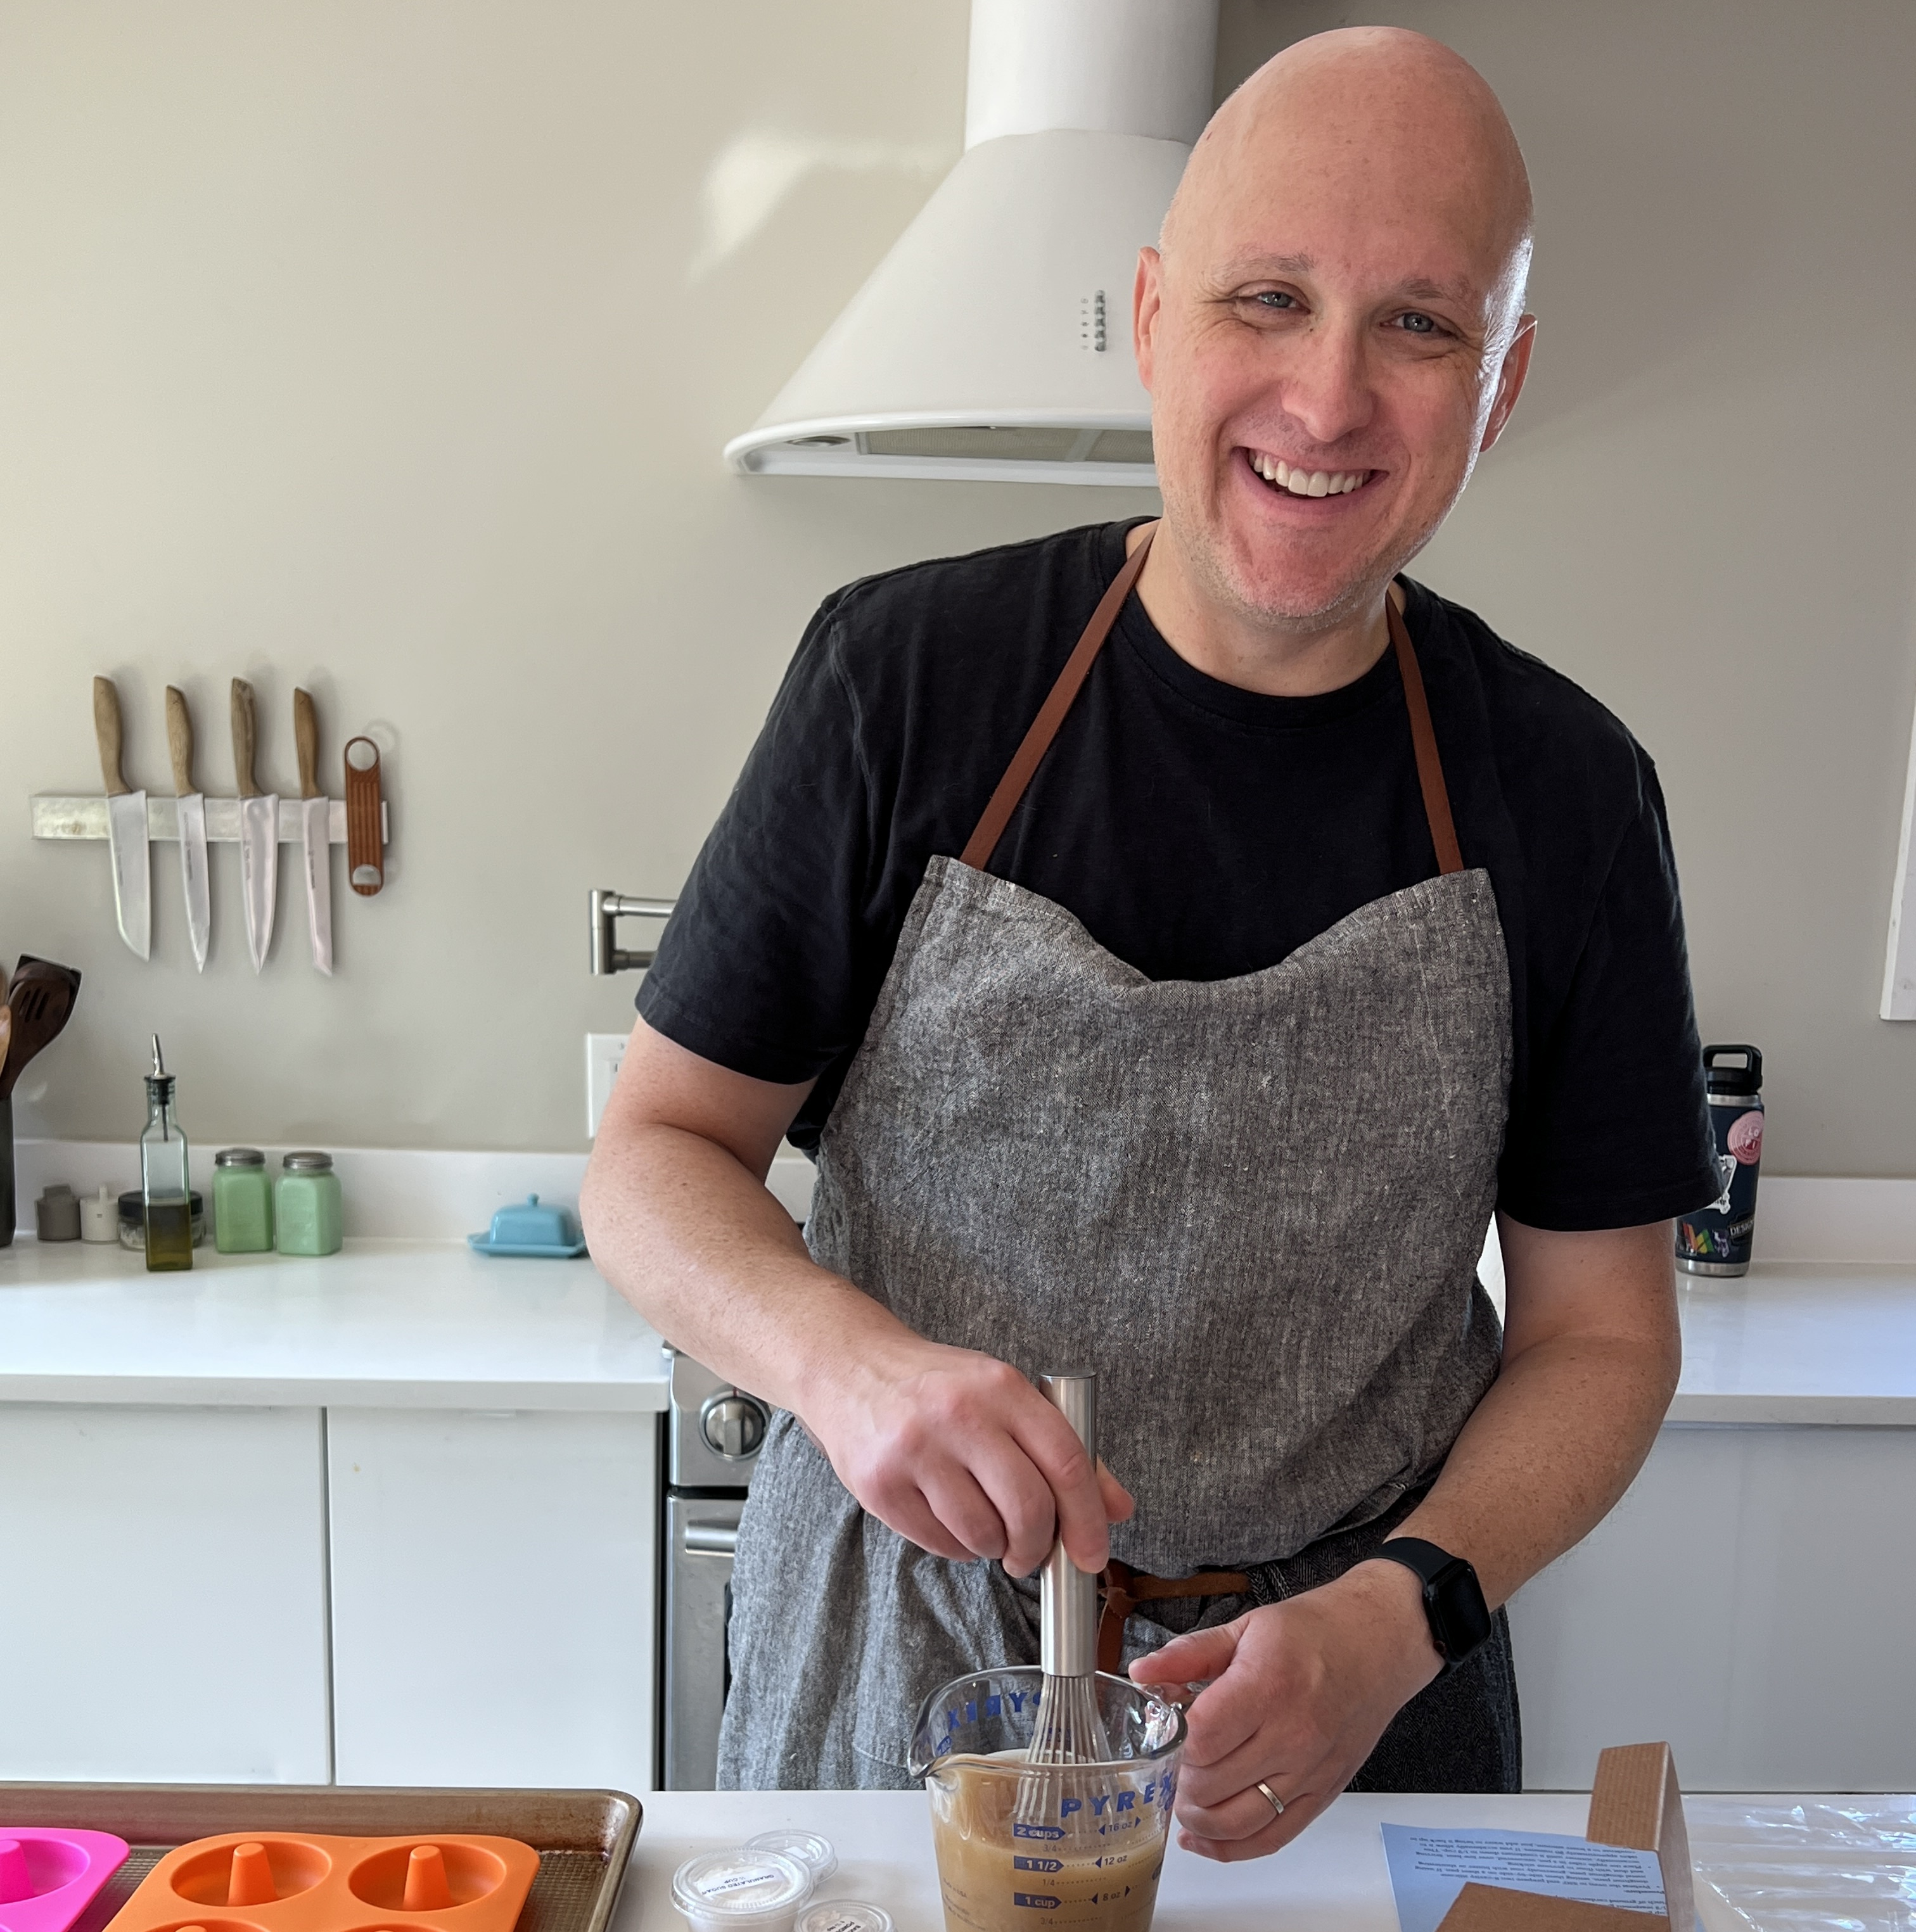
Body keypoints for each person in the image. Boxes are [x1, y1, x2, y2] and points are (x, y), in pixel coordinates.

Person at [582, 25, 1716, 1861]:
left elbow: (1603, 1331)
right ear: (1155, 316)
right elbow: (652, 1158)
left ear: (1498, 385)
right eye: (1270, 299)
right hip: (897, 1696)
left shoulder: (1569, 793)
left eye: (1421, 325)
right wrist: (842, 1361)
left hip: (1351, 1719)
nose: (1329, 398)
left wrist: (1400, 1612)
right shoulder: (903, 681)